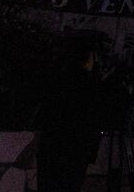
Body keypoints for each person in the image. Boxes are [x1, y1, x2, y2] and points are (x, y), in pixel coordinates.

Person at [37, 33, 102, 191]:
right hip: (75, 150)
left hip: (51, 147)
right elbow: (94, 118)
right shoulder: (89, 85)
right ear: (88, 58)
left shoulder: (56, 78)